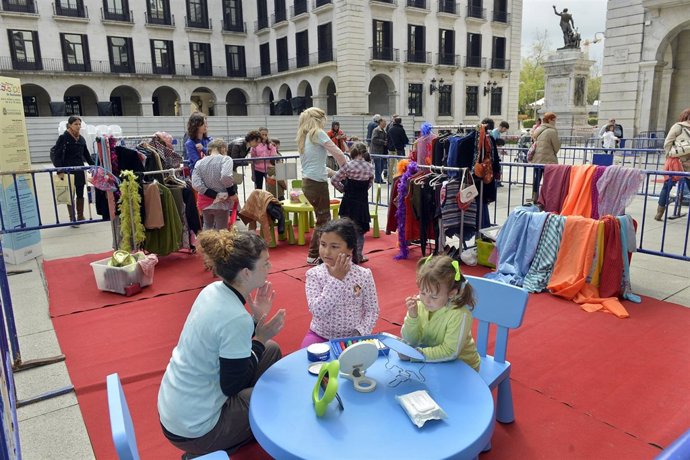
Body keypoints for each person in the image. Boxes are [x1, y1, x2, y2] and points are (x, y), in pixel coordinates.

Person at [158, 229, 286, 456]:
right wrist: (260, 337)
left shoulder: (212, 290)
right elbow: (232, 385)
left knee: (271, 350)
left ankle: (233, 431)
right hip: (196, 430)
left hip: (177, 412)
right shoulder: (235, 318)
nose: (270, 268)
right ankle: (217, 446)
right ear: (247, 273)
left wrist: (256, 320)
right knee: (268, 398)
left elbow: (227, 344)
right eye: (265, 264)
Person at [300, 218, 379, 348]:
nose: (326, 252)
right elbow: (318, 310)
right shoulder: (314, 275)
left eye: (334, 247)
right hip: (320, 335)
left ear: (350, 249)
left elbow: (372, 310)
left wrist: (360, 332)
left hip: (353, 337)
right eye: (323, 244)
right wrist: (336, 279)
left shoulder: (363, 275)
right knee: (308, 360)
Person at [400, 255, 480, 369]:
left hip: (462, 367)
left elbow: (450, 351)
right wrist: (413, 317)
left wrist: (416, 354)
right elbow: (410, 340)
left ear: (451, 294)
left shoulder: (459, 314)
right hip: (432, 361)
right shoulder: (419, 303)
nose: (426, 300)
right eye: (423, 292)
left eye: (434, 297)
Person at [295, 107, 348, 265]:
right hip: (317, 183)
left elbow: (313, 163)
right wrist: (346, 168)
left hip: (308, 182)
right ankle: (313, 255)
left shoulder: (303, 136)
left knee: (322, 219)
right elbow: (337, 152)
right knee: (323, 220)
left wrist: (331, 172)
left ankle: (316, 254)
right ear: (319, 120)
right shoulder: (317, 133)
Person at [330, 142, 375, 263]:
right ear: (364, 152)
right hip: (362, 202)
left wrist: (343, 189)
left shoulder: (348, 166)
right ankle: (358, 256)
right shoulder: (370, 167)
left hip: (348, 201)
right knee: (360, 231)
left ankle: (344, 257)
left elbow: (334, 180)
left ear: (353, 153)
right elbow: (370, 183)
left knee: (345, 229)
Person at [51, 115, 95, 226]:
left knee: (80, 193)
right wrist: (59, 170)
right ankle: (73, 218)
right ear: (70, 125)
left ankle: (80, 216)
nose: (78, 126)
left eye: (79, 124)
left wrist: (93, 166)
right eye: (75, 124)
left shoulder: (81, 139)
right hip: (67, 171)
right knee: (70, 194)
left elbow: (86, 155)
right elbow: (57, 155)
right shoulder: (63, 138)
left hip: (80, 170)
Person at [192, 139, 238, 231]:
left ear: (210, 150)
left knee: (207, 226)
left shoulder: (199, 162)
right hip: (222, 201)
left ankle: (206, 245)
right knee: (221, 230)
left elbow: (195, 184)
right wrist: (232, 193)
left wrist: (211, 194)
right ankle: (220, 246)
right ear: (223, 148)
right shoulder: (226, 159)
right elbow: (225, 176)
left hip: (205, 201)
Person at [656, 108, 690, 221]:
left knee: (667, 186)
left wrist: (669, 155)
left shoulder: (678, 126)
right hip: (688, 163)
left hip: (676, 161)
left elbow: (667, 143)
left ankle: (659, 213)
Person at [529, 112, 561, 203]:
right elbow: (556, 147)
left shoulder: (538, 129)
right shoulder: (552, 131)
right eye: (554, 120)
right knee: (549, 180)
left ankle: (535, 197)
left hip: (537, 159)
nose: (555, 122)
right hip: (548, 159)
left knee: (537, 178)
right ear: (550, 120)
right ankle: (546, 198)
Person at [386, 115, 409, 182]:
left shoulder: (390, 129)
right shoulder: (401, 129)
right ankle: (398, 179)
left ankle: (390, 180)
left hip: (390, 149)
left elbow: (387, 138)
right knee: (400, 165)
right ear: (400, 122)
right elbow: (405, 140)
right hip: (399, 149)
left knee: (390, 165)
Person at [370, 116, 388, 184]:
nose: (385, 124)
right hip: (376, 151)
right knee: (378, 166)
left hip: (381, 152)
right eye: (384, 122)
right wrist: (383, 142)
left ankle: (378, 178)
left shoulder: (383, 131)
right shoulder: (376, 130)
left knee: (381, 166)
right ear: (380, 122)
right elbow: (374, 139)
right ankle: (378, 179)